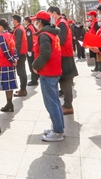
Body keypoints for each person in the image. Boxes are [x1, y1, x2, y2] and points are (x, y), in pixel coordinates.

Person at [31, 11, 64, 142]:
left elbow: (45, 54)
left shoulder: (44, 35)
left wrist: (35, 66)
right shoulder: (52, 33)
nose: (35, 23)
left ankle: (57, 132)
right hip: (54, 71)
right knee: (55, 101)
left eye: (36, 21)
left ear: (40, 22)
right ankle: (58, 127)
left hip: (48, 72)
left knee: (51, 102)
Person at [48, 6, 78, 115]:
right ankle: (66, 104)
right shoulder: (59, 23)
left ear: (54, 13)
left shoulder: (61, 23)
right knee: (64, 81)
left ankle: (68, 105)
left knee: (66, 81)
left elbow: (60, 40)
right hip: (63, 55)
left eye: (49, 14)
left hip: (65, 55)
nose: (49, 17)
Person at [0, 19, 18, 112]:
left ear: (1, 26)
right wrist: (15, 59)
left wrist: (11, 60)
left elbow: (5, 50)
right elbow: (14, 48)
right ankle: (9, 103)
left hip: (5, 63)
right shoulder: (10, 35)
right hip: (10, 63)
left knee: (7, 85)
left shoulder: (2, 36)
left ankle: (9, 103)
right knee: (10, 85)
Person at [12, 15, 28, 97]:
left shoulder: (18, 29)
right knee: (21, 72)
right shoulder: (20, 28)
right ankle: (22, 88)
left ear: (16, 21)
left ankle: (23, 89)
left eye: (12, 20)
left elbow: (18, 43)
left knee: (21, 72)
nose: (12, 22)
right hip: (22, 53)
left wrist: (16, 56)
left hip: (20, 53)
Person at [25, 16, 39, 86]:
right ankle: (35, 78)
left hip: (31, 48)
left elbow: (29, 39)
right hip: (34, 48)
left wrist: (29, 50)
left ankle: (34, 80)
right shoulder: (32, 27)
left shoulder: (29, 28)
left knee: (31, 65)